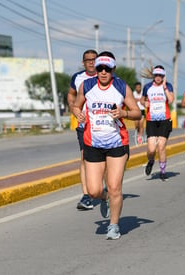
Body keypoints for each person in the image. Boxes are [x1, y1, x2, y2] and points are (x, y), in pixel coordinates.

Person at [72, 51, 141, 240]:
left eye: (107, 69)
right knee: (94, 191)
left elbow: (137, 113)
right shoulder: (86, 85)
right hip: (93, 143)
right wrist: (78, 113)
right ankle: (105, 199)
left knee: (114, 187)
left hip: (117, 143)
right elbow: (76, 105)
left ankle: (114, 225)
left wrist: (124, 114)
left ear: (113, 69)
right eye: (99, 68)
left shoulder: (121, 87)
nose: (103, 72)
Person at [68, 49, 98, 211]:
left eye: (94, 59)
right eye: (88, 60)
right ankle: (86, 195)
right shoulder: (77, 78)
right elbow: (71, 96)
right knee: (84, 158)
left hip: (103, 126)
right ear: (83, 62)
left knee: (103, 160)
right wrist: (75, 110)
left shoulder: (106, 76)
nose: (91, 62)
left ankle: (105, 189)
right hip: (84, 125)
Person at [140, 65, 174, 181]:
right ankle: (150, 161)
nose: (158, 77)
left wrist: (165, 88)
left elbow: (171, 100)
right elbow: (142, 99)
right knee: (151, 149)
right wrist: (144, 103)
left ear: (163, 76)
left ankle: (163, 171)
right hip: (151, 120)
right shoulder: (147, 87)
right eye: (156, 75)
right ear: (153, 76)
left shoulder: (168, 86)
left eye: (160, 75)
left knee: (161, 146)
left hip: (165, 120)